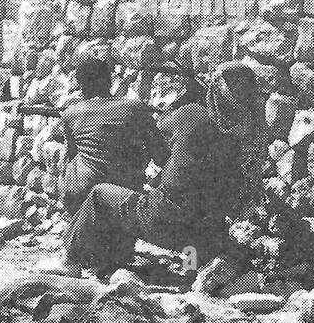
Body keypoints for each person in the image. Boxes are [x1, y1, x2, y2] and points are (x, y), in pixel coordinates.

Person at [57, 61, 266, 280]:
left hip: (161, 221)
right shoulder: (247, 143)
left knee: (100, 195)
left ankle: (70, 261)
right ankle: (190, 267)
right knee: (198, 223)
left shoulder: (191, 114)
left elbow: (164, 137)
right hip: (201, 228)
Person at [58, 56, 166, 216]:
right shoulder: (134, 107)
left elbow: (69, 158)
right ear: (109, 80)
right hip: (121, 193)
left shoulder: (70, 114)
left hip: (81, 195)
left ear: (81, 86)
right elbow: (161, 155)